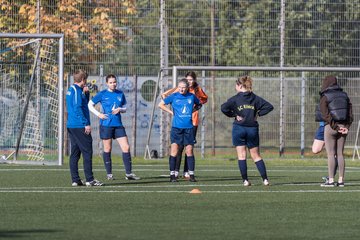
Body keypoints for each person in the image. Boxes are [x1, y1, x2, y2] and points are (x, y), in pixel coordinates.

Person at [221, 76, 273, 186]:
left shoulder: (235, 99)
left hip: (239, 128)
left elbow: (223, 108)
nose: (235, 87)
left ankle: (245, 180)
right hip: (252, 129)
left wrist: (234, 115)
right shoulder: (255, 98)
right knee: (256, 156)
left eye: (236, 85)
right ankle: (265, 180)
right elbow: (269, 106)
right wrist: (258, 114)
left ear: (240, 86)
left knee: (241, 155)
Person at [88, 74, 140, 181]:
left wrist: (120, 109)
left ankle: (129, 174)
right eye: (111, 82)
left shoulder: (120, 93)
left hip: (118, 125)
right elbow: (90, 104)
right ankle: (109, 174)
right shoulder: (102, 94)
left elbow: (125, 108)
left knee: (126, 147)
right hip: (106, 125)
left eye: (114, 82)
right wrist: (99, 114)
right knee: (107, 148)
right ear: (107, 83)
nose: (113, 84)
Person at [161, 71, 208, 179]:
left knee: (189, 149)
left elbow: (201, 102)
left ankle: (189, 173)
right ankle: (174, 173)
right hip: (177, 127)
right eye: (180, 87)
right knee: (177, 149)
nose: (182, 88)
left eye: (191, 80)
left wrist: (193, 110)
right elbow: (162, 101)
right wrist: (171, 112)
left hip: (190, 126)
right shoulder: (176, 94)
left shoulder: (193, 94)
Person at [66, 69, 103, 187]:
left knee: (75, 153)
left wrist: (86, 94)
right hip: (79, 125)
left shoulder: (72, 90)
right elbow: (77, 108)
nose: (86, 82)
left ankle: (75, 180)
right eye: (85, 79)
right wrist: (85, 123)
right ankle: (90, 179)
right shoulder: (76, 90)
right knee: (87, 151)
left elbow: (83, 104)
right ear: (82, 80)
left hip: (72, 126)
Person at [319, 75, 353, 187]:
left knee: (331, 154)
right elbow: (350, 114)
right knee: (340, 154)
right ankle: (341, 180)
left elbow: (325, 115)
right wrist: (346, 127)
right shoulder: (345, 95)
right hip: (343, 127)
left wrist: (335, 127)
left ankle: (331, 180)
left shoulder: (325, 96)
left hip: (331, 128)